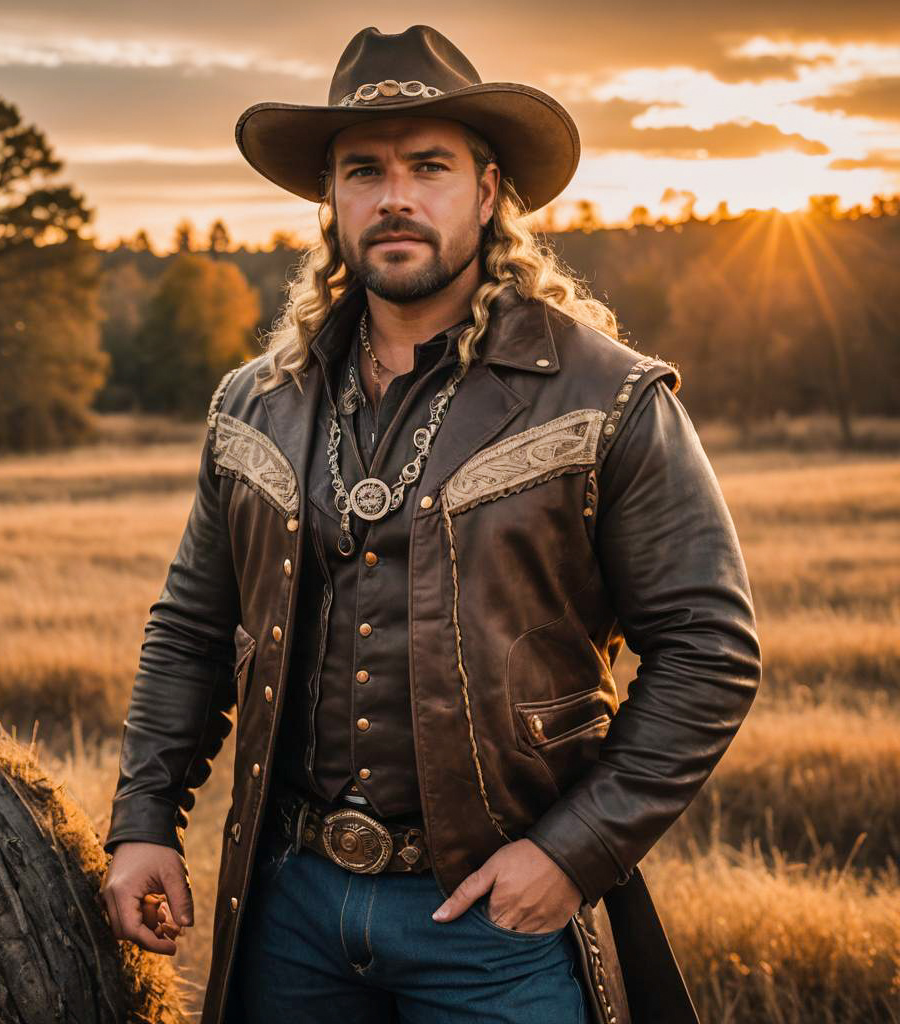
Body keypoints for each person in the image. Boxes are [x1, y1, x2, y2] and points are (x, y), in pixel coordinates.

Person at [100, 24, 762, 1024]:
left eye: (428, 167)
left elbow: (709, 650)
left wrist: (569, 853)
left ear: (488, 192)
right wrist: (144, 818)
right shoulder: (256, 404)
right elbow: (191, 631)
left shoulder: (605, 397)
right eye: (363, 171)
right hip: (290, 909)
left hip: (497, 926)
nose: (394, 197)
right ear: (332, 200)